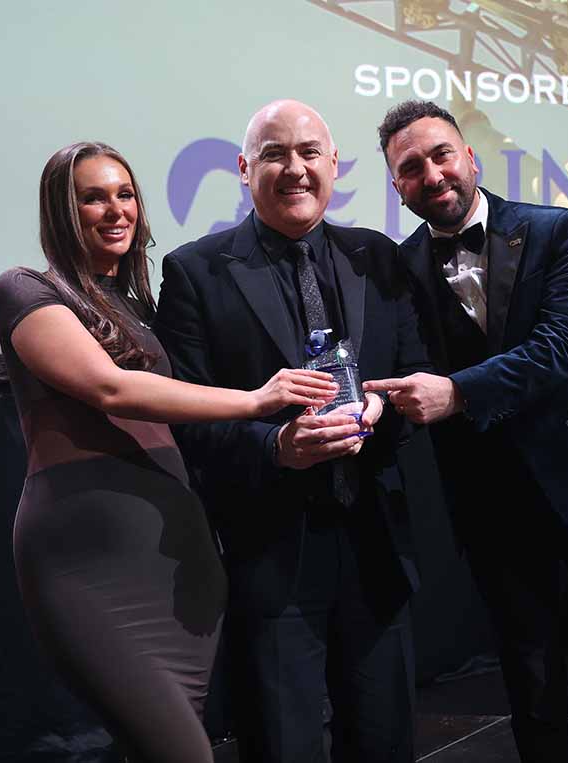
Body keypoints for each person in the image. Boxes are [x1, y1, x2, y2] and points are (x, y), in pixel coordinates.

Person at [0, 141, 337, 763]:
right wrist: (256, 401)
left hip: (178, 556)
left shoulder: (140, 310)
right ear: (61, 211)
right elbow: (110, 388)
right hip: (89, 558)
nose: (115, 210)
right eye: (93, 197)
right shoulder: (25, 289)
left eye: (125, 194)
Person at [366, 101, 568, 763]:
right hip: (493, 505)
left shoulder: (555, 230)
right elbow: (400, 363)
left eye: (440, 155)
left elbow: (562, 348)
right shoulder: (397, 269)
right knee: (534, 697)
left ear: (469, 157)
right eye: (411, 167)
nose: (432, 174)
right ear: (397, 186)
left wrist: (457, 391)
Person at [153, 100, 431, 763]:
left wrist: (380, 406)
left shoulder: (378, 256)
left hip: (374, 542)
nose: (295, 168)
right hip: (270, 552)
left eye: (310, 152)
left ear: (335, 164)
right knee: (283, 745)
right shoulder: (196, 272)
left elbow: (413, 369)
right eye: (274, 154)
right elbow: (184, 417)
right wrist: (275, 447)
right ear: (244, 169)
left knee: (386, 742)